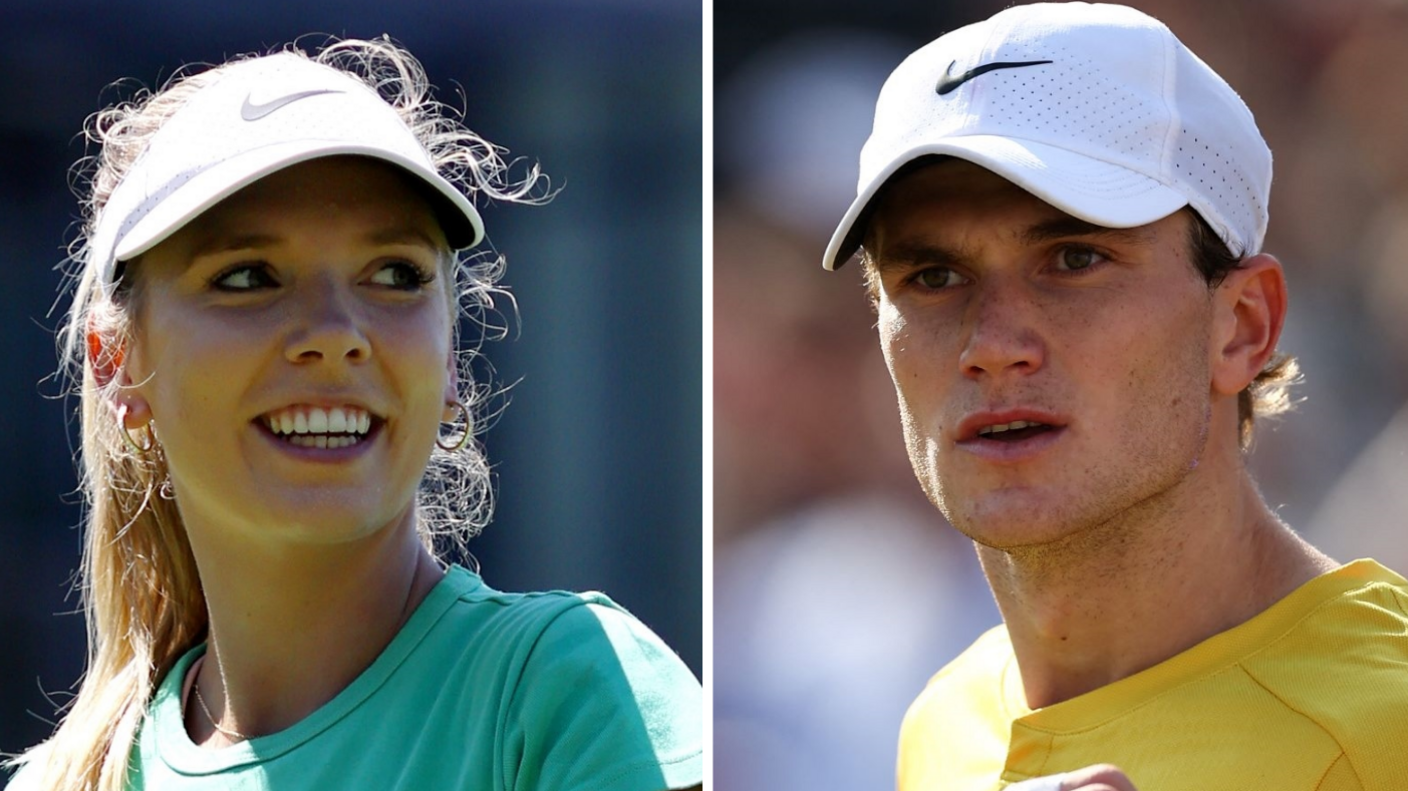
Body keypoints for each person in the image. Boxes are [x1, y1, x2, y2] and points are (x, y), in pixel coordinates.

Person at [5, 38, 702, 791]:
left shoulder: (569, 690)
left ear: (449, 362)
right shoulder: (66, 780)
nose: (337, 334)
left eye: (395, 274)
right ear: (117, 362)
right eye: (247, 276)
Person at [821, 3, 1408, 790]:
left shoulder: (1388, 727)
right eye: (932, 277)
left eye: (1073, 259)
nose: (993, 344)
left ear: (1241, 325)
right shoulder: (942, 719)